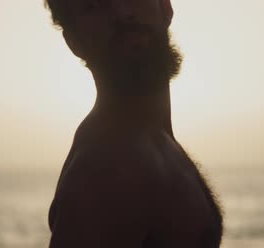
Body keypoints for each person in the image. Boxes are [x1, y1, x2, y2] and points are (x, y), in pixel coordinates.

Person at [44, 0, 223, 247]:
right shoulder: (108, 168)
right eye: (93, 6)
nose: (121, 12)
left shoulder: (150, 141)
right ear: (74, 42)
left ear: (165, 7)